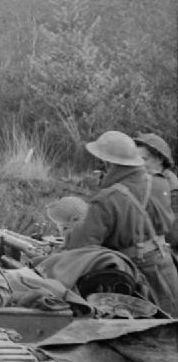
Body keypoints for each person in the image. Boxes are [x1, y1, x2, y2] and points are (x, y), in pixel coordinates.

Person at [65, 130, 178, 316]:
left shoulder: (107, 199)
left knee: (149, 334)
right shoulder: (160, 184)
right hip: (165, 266)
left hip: (135, 279)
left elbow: (80, 246)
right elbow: (168, 228)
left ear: (109, 163)